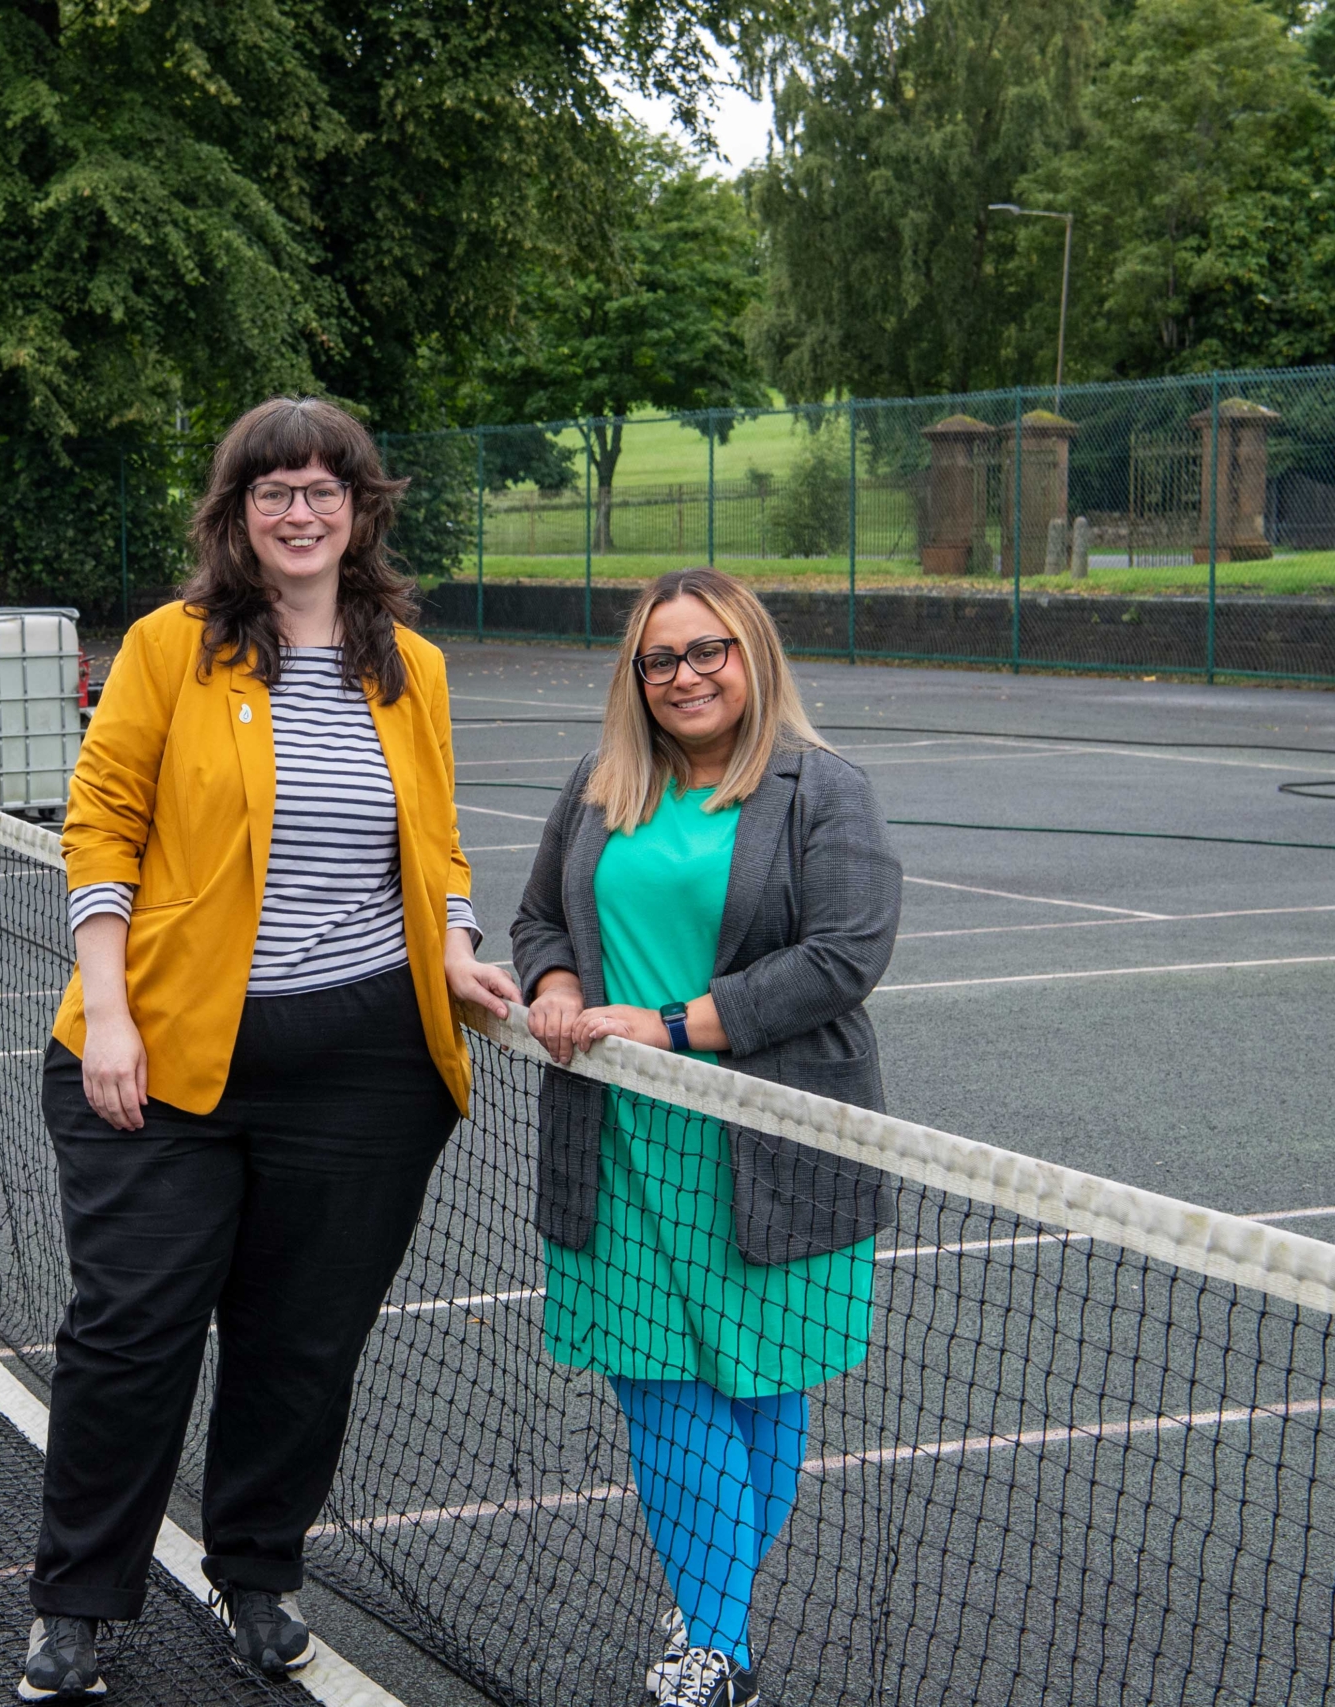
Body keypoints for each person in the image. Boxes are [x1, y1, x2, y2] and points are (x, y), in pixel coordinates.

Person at [24, 396, 520, 1701]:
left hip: (366, 1066)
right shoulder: (167, 648)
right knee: (132, 1332)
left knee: (300, 1346)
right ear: (237, 514)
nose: (299, 512)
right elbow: (103, 823)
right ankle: (76, 1596)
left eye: (323, 489)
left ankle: (259, 1573)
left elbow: (436, 847)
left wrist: (458, 942)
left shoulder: (411, 665)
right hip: (167, 1051)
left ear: (360, 510)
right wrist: (111, 1008)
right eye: (273, 491)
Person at [508, 567, 902, 1707]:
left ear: (752, 654)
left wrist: (680, 1024)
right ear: (636, 678)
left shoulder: (823, 789)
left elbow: (842, 957)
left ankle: (709, 1604)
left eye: (707, 651)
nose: (685, 676)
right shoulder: (600, 784)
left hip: (771, 1144)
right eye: (660, 659)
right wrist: (554, 980)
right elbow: (539, 916)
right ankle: (717, 1648)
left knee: (762, 1389)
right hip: (618, 1141)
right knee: (658, 1388)